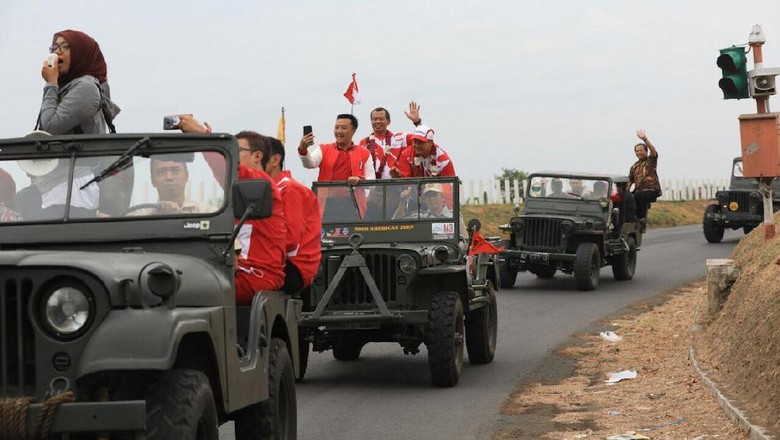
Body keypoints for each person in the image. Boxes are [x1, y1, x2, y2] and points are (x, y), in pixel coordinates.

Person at [179, 116, 287, 305]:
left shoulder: (259, 183)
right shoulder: (236, 189)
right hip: (237, 269)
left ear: (258, 156)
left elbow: (227, 170)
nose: (232, 155)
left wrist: (205, 138)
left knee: (185, 290)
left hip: (256, 273)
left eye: (236, 150)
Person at [36, 29, 129, 216]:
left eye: (65, 47)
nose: (57, 52)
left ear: (81, 53)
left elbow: (50, 128)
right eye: (54, 47)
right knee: (23, 201)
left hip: (74, 188)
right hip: (59, 184)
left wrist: (51, 84)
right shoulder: (68, 87)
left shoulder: (85, 87)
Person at [264, 137, 322, 295]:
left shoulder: (288, 189)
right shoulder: (272, 188)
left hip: (293, 266)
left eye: (258, 156)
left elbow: (289, 240)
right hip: (279, 262)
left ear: (276, 159)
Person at [298, 114, 375, 220]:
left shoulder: (364, 153)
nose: (339, 131)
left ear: (353, 131)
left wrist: (360, 180)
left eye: (343, 128)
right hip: (327, 203)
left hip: (353, 205)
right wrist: (303, 149)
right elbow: (309, 163)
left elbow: (372, 183)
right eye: (336, 127)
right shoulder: (324, 149)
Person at [129, 154, 213, 215]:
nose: (169, 177)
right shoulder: (139, 215)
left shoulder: (207, 212)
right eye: (161, 172)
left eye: (175, 170)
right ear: (153, 181)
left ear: (186, 176)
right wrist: (157, 214)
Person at [358, 102, 423, 179]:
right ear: (371, 122)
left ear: (388, 122)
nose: (377, 121)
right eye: (375, 119)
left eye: (381, 119)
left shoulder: (400, 138)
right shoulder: (364, 142)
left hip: (396, 186)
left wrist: (417, 122)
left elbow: (421, 138)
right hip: (373, 186)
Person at [629, 129, 661, 220]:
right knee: (627, 198)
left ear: (646, 151)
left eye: (641, 150)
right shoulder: (634, 166)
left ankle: (641, 218)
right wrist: (625, 193)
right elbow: (629, 181)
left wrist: (645, 139)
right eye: (637, 151)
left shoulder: (650, 160)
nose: (638, 152)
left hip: (650, 190)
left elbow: (653, 151)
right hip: (638, 191)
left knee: (640, 196)